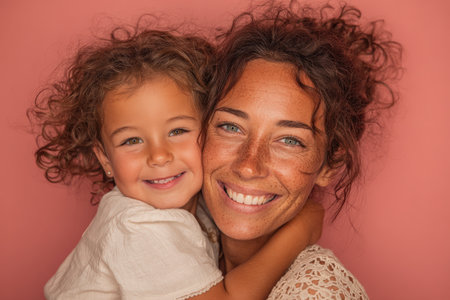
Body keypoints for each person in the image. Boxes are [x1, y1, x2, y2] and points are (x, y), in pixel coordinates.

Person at [28, 24, 323, 299]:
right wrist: (302, 229)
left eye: (178, 131)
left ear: (207, 128)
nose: (158, 156)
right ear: (105, 158)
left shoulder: (202, 206)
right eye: (132, 140)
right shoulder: (137, 225)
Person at [201, 1, 402, 299]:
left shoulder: (316, 290)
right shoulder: (161, 233)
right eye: (231, 127)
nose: (248, 165)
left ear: (329, 165)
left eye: (290, 141)